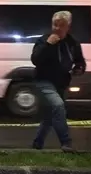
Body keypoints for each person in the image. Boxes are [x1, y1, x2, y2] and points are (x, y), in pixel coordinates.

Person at [30, 10, 84, 151]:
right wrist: (48, 45)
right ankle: (66, 142)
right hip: (43, 80)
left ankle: (37, 143)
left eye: (61, 25)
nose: (57, 28)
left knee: (50, 114)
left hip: (61, 82)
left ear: (68, 27)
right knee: (58, 106)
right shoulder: (44, 40)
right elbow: (35, 60)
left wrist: (79, 68)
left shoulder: (72, 43)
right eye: (55, 25)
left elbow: (79, 61)